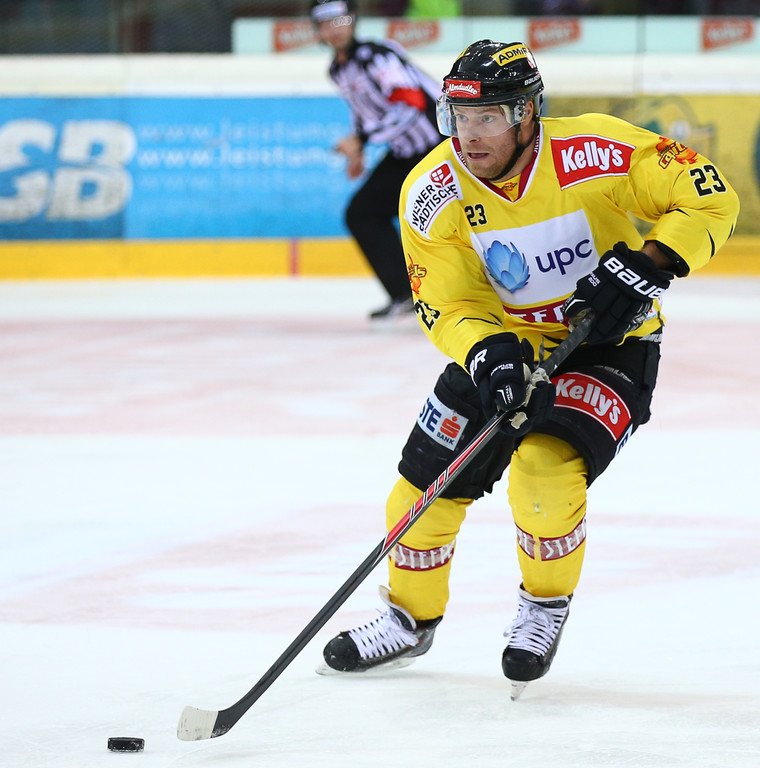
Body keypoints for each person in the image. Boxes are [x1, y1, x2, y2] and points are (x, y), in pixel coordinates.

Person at [319, 40, 739, 697]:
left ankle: (544, 605)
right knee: (420, 493)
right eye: (459, 118)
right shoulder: (431, 190)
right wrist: (486, 349)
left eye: (487, 118)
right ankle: (408, 618)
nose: (469, 136)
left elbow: (710, 197)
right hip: (504, 348)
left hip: (607, 347)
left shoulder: (594, 150)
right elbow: (446, 302)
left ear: (526, 115)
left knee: (544, 477)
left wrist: (649, 264)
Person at [310, 0, 443, 320]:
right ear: (317, 30)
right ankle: (405, 293)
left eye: (340, 20)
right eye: (326, 23)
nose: (335, 29)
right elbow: (363, 112)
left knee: (447, 218)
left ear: (353, 20)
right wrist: (359, 148)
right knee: (362, 213)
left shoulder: (377, 56)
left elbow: (411, 102)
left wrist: (361, 140)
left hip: (438, 148)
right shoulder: (337, 70)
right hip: (406, 153)